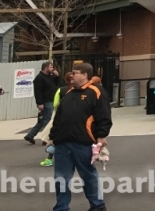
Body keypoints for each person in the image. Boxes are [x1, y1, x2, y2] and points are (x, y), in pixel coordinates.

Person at [49, 62, 112, 211]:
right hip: (62, 144)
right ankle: (61, 207)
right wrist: (52, 137)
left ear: (84, 75)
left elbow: (104, 116)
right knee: (61, 178)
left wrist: (101, 135)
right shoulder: (68, 93)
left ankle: (97, 205)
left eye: (75, 72)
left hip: (83, 143)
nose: (71, 75)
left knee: (88, 176)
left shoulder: (96, 92)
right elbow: (58, 118)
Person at [39, 71, 74, 166]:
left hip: (61, 117)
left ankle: (49, 159)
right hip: (75, 118)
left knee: (56, 138)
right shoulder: (80, 90)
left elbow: (55, 104)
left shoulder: (61, 90)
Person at [24, 61, 59, 145]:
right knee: (47, 119)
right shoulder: (39, 78)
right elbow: (38, 91)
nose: (52, 69)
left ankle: (30, 135)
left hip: (51, 99)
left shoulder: (50, 77)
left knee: (42, 120)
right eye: (51, 67)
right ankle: (46, 138)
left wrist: (57, 77)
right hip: (45, 101)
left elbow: (56, 85)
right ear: (46, 68)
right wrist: (39, 103)